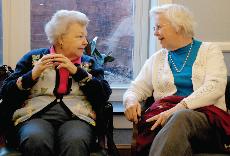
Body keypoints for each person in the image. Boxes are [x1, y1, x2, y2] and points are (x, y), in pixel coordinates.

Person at [123, 4, 230, 156]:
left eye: (158, 27)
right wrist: (130, 101)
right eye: (154, 28)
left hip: (206, 121)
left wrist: (176, 109)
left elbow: (215, 87)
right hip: (164, 121)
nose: (155, 33)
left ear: (178, 26)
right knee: (174, 132)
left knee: (180, 117)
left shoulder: (209, 50)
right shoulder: (157, 59)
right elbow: (135, 89)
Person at [1, 10, 111, 156]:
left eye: (85, 36)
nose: (85, 42)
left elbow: (103, 95)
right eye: (80, 36)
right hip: (34, 117)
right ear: (61, 39)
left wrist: (77, 72)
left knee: (75, 140)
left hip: (77, 118)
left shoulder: (89, 63)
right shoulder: (33, 58)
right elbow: (6, 93)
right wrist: (33, 74)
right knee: (36, 139)